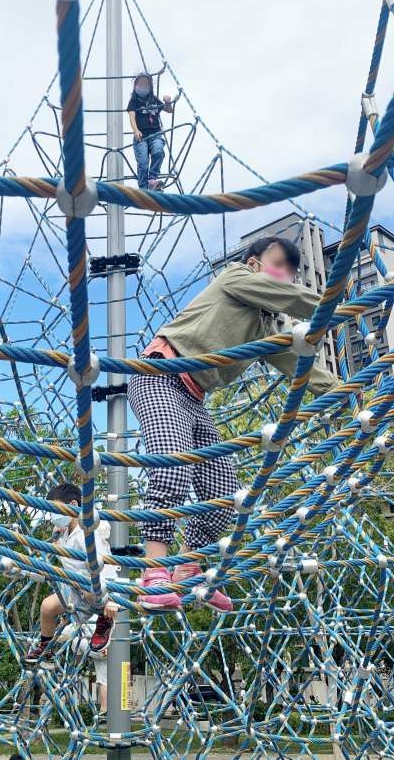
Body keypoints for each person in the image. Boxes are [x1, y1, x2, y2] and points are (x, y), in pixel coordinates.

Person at [127, 235, 339, 613]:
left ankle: (186, 569)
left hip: (193, 398)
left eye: (291, 270)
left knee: (225, 495)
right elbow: (290, 298)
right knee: (173, 468)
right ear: (255, 263)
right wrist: (333, 305)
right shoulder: (235, 277)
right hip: (160, 375)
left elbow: (297, 364)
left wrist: (345, 391)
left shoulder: (264, 325)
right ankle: (154, 571)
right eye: (278, 265)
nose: (285, 274)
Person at [26, 483, 119, 665]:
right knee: (47, 607)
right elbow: (51, 555)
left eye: (55, 510)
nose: (53, 517)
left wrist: (112, 598)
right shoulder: (64, 533)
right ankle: (47, 648)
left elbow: (104, 563)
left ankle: (105, 621)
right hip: (73, 587)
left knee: (90, 591)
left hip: (97, 587)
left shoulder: (87, 534)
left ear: (74, 505)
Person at [127, 72, 173, 190]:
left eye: (145, 84)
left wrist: (168, 102)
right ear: (136, 86)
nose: (143, 86)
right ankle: (143, 186)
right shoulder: (134, 101)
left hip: (155, 134)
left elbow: (169, 110)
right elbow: (131, 117)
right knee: (143, 162)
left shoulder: (153, 99)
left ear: (150, 86)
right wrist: (136, 130)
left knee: (158, 152)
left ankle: (152, 179)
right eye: (140, 84)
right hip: (141, 136)